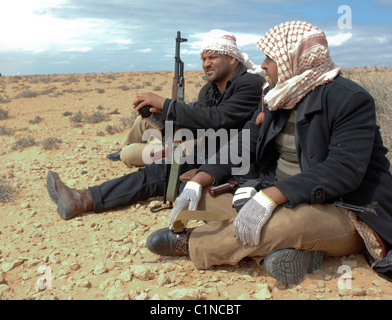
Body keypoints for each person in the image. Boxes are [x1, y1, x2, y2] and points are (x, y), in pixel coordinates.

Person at [146, 21, 392, 284]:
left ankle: (193, 245)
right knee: (203, 197)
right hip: (281, 192)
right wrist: (202, 178)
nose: (263, 65)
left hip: (342, 206)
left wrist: (272, 197)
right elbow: (248, 139)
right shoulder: (277, 95)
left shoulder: (350, 99)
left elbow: (343, 170)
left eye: (270, 58)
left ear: (294, 59)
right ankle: (299, 253)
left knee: (283, 226)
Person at [46, 29, 265, 220]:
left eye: (213, 57)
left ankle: (83, 200)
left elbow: (218, 118)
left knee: (160, 174)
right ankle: (84, 197)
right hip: (209, 151)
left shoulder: (250, 85)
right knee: (157, 169)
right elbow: (198, 120)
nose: (206, 63)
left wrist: (166, 105)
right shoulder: (209, 90)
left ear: (233, 59)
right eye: (203, 58)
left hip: (235, 160)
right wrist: (159, 115)